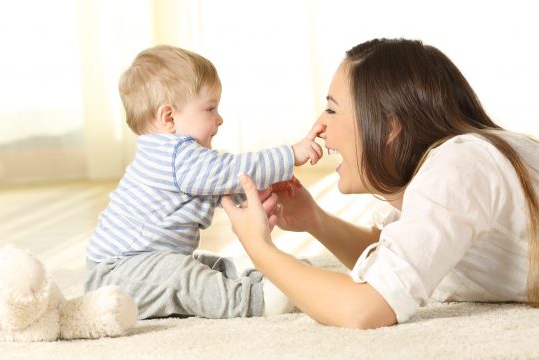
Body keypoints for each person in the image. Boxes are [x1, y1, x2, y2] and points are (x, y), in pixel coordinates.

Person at [221, 38, 539, 329]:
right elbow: (399, 257)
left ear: (389, 126)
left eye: (332, 109)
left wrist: (259, 248)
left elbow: (367, 308)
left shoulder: (458, 167)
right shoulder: (453, 167)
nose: (319, 126)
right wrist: (314, 219)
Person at [84, 45, 323, 319]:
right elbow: (228, 172)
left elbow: (219, 187)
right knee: (183, 275)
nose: (219, 119)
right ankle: (255, 301)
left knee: (206, 265)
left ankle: (268, 281)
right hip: (115, 275)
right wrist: (289, 155)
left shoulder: (182, 159)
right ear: (169, 117)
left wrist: (258, 191)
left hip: (134, 266)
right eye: (210, 109)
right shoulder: (173, 155)